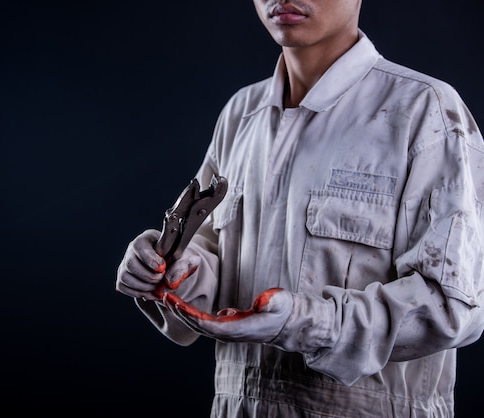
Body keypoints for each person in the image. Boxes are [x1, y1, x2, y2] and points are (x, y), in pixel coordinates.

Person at [115, 0, 484, 416]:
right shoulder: (241, 115)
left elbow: (450, 305)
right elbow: (212, 256)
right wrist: (167, 270)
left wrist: (305, 321)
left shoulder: (424, 111)